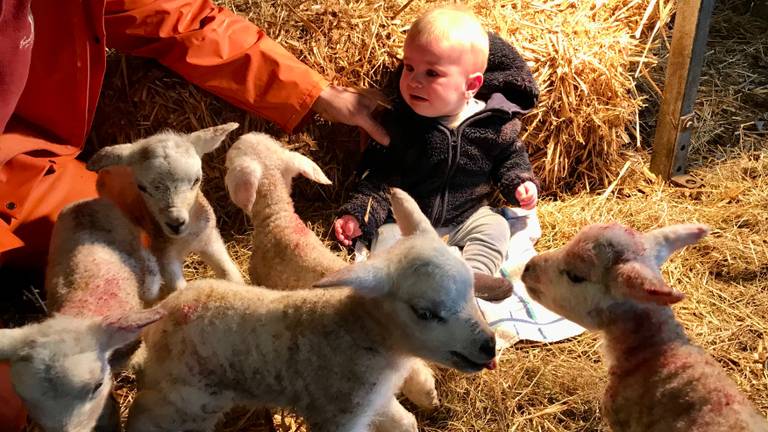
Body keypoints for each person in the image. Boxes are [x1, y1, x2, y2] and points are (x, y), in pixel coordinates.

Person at [0, 0, 389, 429]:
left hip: (31, 162)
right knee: (24, 394)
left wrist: (314, 92)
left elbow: (180, 21)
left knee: (138, 234)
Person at [333, 6, 540, 301]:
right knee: (388, 240)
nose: (414, 80)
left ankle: (471, 277)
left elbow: (510, 157)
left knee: (495, 226)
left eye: (432, 73)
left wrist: (520, 182)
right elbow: (378, 178)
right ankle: (408, 288)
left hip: (466, 216)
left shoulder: (492, 123)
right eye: (409, 67)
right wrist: (359, 215)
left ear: (471, 85)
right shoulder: (400, 125)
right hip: (407, 221)